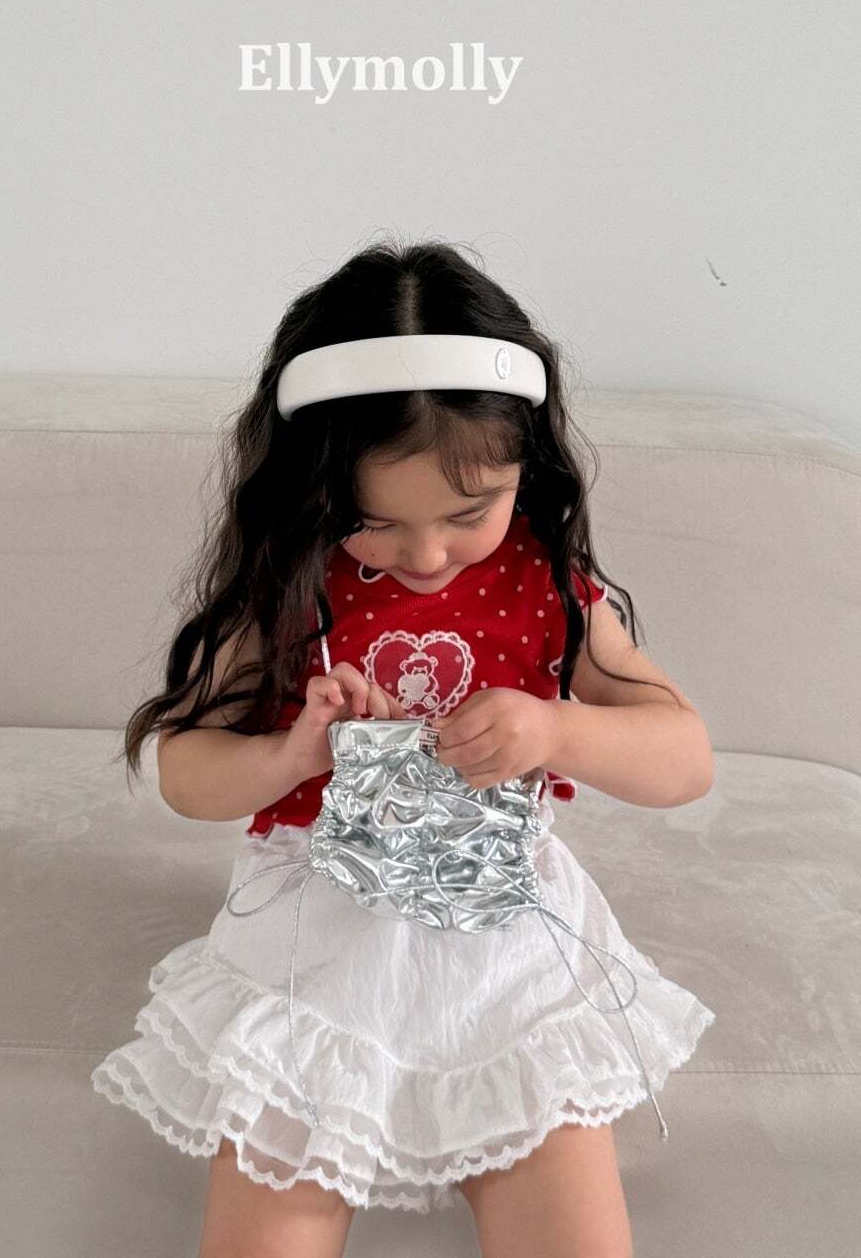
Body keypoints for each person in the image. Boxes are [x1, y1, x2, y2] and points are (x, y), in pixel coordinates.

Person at [92, 238, 716, 1258]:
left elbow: (685, 756)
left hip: (508, 949)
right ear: (314, 487)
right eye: (374, 521)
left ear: (527, 467)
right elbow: (184, 773)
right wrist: (293, 756)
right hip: (315, 945)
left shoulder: (549, 584)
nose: (426, 555)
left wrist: (556, 725)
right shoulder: (288, 586)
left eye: (470, 512)